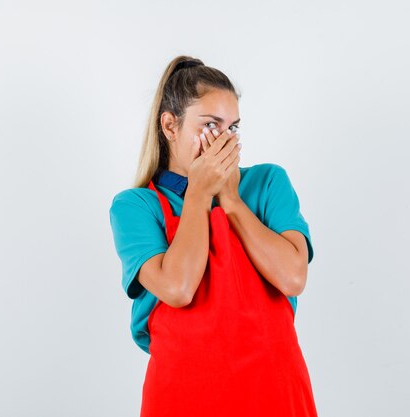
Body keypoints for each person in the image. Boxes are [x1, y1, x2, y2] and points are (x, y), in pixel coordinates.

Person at [109, 55, 318, 416]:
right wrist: (199, 194)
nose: (222, 141)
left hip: (274, 390)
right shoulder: (135, 206)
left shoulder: (268, 183)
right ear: (170, 126)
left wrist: (231, 199)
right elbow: (178, 288)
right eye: (210, 125)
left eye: (232, 128)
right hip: (184, 395)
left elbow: (293, 277)